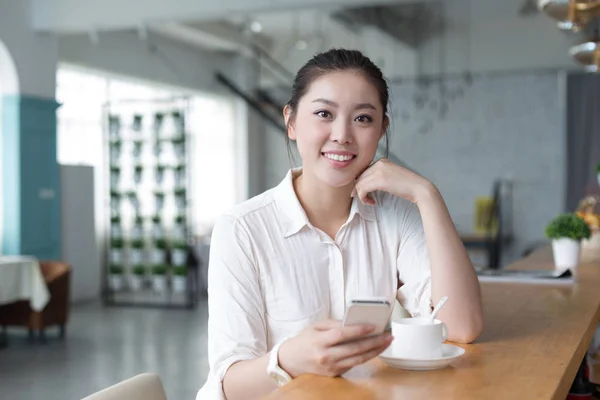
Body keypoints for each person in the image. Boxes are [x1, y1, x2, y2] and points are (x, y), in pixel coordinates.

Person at [197, 48, 483, 400]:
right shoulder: (242, 230)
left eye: (362, 119)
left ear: (381, 130)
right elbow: (229, 386)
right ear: (291, 121)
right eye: (323, 114)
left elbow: (462, 326)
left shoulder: (396, 215)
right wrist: (288, 360)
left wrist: (427, 194)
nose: (342, 135)